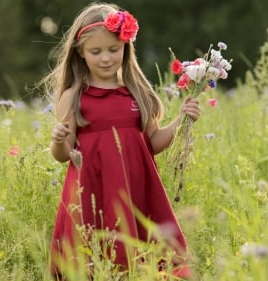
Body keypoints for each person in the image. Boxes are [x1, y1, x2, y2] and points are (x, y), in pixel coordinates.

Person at [43, 2, 200, 280]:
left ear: (126, 48)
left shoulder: (137, 92)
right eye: (96, 51)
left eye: (113, 50)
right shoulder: (75, 96)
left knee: (142, 254)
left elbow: (152, 142)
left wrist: (181, 121)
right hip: (91, 192)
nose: (106, 58)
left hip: (135, 187)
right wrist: (57, 140)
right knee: (92, 252)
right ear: (81, 53)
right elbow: (64, 154)